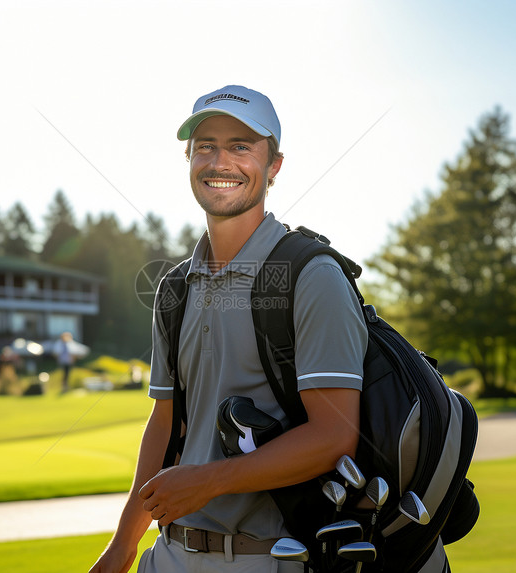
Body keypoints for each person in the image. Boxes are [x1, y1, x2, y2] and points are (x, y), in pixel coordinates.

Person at [90, 85, 368, 573]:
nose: (220, 161)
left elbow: (334, 437)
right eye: (206, 146)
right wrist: (122, 547)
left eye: (241, 146)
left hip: (271, 557)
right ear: (189, 159)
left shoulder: (312, 275)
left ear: (274, 165)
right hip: (169, 554)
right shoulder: (174, 288)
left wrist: (210, 481)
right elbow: (166, 424)